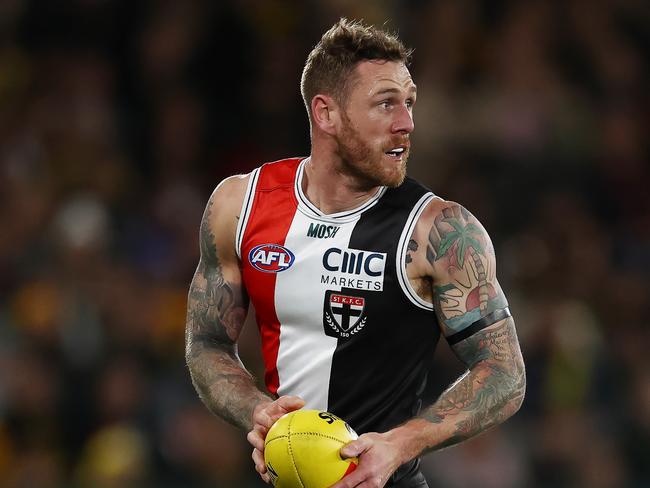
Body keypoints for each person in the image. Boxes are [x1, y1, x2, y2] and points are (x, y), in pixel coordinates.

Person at [185, 18, 525, 488]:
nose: (406, 122)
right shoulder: (239, 205)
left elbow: (505, 373)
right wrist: (258, 412)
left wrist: (399, 444)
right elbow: (206, 342)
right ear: (326, 114)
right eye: (386, 103)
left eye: (409, 103)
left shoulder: (439, 231)